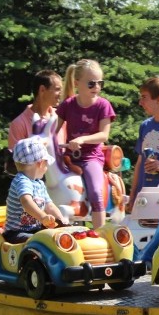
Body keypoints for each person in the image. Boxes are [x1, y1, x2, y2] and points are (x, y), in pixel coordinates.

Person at [55, 59, 115, 227]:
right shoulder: (67, 105)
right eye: (91, 83)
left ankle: (99, 233)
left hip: (91, 157)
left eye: (99, 83)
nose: (96, 87)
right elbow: (53, 130)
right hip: (68, 157)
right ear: (76, 83)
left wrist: (82, 139)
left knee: (96, 192)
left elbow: (104, 135)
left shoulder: (103, 105)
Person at [4, 136, 68, 243]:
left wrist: (62, 221)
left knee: (55, 237)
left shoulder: (39, 184)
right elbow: (26, 202)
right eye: (46, 164)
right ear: (41, 163)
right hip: (16, 233)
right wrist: (43, 217)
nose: (47, 167)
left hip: (35, 230)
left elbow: (49, 206)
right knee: (41, 241)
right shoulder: (22, 181)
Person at [127, 77, 159, 213]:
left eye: (144, 97)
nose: (140, 102)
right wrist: (133, 194)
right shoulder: (145, 125)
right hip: (144, 195)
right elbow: (140, 162)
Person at [7, 69, 63, 149]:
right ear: (42, 90)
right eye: (58, 89)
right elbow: (15, 159)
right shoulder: (19, 124)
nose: (61, 94)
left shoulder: (60, 118)